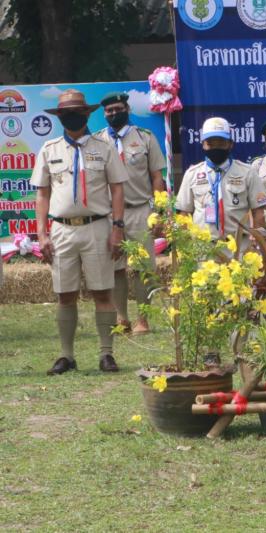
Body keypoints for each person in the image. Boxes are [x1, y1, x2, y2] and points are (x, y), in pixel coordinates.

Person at [31, 89, 128, 375]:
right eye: (65, 113)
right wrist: (42, 232)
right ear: (60, 117)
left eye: (76, 112)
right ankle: (67, 356)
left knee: (102, 291)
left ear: (87, 114)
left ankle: (106, 354)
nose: (71, 116)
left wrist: (118, 228)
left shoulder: (104, 148)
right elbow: (42, 194)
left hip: (97, 226)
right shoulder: (49, 149)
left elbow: (117, 188)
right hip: (62, 229)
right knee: (64, 293)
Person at [94, 92, 167, 335]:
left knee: (144, 268)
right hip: (108, 216)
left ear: (127, 109)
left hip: (139, 211)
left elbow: (158, 177)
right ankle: (122, 318)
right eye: (109, 111)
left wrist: (159, 211)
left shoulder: (145, 138)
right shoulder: (97, 141)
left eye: (118, 109)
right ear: (104, 115)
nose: (114, 114)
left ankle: (143, 319)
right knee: (115, 267)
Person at [175, 117, 266, 245]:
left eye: (220, 143)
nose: (216, 147)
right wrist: (185, 247)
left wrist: (258, 243)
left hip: (238, 247)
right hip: (203, 249)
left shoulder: (247, 172)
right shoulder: (192, 174)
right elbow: (184, 213)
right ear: (203, 144)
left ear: (230, 144)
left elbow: (258, 211)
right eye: (211, 143)